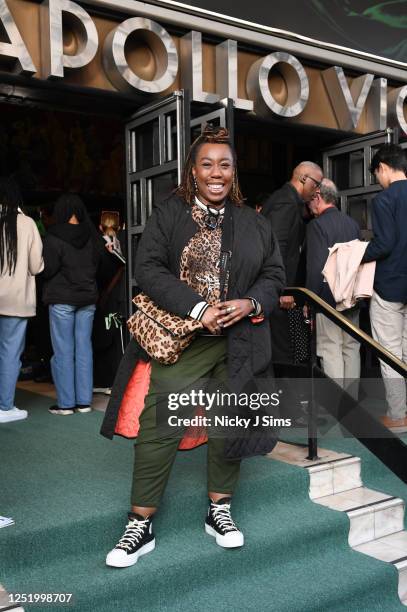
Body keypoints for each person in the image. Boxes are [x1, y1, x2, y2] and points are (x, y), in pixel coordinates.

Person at [101, 126, 285, 567]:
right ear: (193, 171)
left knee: (230, 423)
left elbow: (275, 276)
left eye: (224, 164)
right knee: (160, 424)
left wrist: (250, 302)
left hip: (241, 342)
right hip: (186, 341)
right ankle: (139, 523)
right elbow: (147, 270)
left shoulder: (255, 222)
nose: (216, 172)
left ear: (233, 172)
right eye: (207, 164)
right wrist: (200, 308)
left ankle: (218, 510)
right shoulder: (170, 213)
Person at [42, 194, 101, 415]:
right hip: (87, 300)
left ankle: (66, 405)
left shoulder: (53, 237)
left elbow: (47, 270)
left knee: (63, 351)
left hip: (62, 300)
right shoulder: (92, 236)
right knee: (84, 349)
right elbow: (98, 266)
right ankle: (84, 403)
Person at [361, 144, 407, 430]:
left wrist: (356, 254)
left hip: (390, 284)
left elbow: (385, 244)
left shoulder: (384, 199)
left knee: (390, 352)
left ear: (383, 167)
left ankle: (399, 414)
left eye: (376, 173)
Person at [261, 161, 323, 364]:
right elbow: (276, 247)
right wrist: (283, 289)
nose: (317, 191)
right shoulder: (285, 202)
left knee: (283, 348)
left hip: (279, 289)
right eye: (316, 184)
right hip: (278, 291)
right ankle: (281, 395)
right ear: (303, 178)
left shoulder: (290, 201)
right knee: (281, 351)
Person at [306, 178, 361, 386]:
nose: (308, 206)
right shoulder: (352, 223)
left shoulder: (316, 226)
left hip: (326, 298)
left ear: (318, 197)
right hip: (352, 297)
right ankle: (352, 406)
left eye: (310, 200)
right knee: (351, 347)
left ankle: (338, 409)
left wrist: (309, 300)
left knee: (331, 349)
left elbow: (315, 268)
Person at [0, 176, 44, 423]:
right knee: (9, 353)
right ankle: (5, 407)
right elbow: (37, 266)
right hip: (16, 301)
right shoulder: (26, 224)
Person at [93, 211, 126, 393]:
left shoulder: (97, 246)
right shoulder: (126, 243)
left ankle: (104, 379)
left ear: (100, 227)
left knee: (101, 337)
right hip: (118, 297)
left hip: (101, 298)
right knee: (117, 338)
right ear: (120, 226)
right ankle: (115, 379)